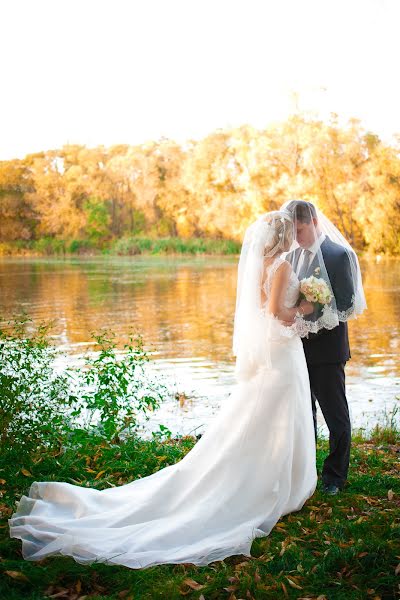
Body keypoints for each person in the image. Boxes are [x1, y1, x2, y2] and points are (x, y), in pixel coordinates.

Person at [9, 210, 318, 570]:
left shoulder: (260, 263)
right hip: (281, 352)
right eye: (290, 232)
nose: (295, 236)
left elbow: (257, 309)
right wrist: (305, 306)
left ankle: (274, 476)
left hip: (275, 352)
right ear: (283, 237)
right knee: (276, 414)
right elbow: (275, 312)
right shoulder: (280, 265)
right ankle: (273, 485)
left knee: (264, 417)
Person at [281, 199, 367, 496]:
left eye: (301, 229)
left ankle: (334, 477)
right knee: (304, 416)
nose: (297, 236)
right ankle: (306, 475)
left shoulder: (339, 255)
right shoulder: (290, 257)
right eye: (293, 231)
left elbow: (347, 304)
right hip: (295, 350)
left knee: (336, 417)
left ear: (314, 221)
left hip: (328, 352)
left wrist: (316, 305)